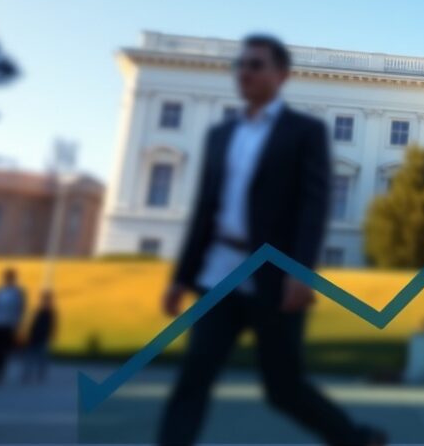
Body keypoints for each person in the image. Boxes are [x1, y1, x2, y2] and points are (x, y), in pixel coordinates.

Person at [157, 34, 386, 446]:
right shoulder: (221, 135)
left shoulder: (305, 131)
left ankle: (354, 439)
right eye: (240, 65)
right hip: (219, 271)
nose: (244, 72)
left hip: (274, 274)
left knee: (284, 388)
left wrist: (300, 271)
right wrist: (181, 276)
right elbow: (205, 212)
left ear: (280, 75)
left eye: (256, 65)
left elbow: (313, 206)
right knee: (194, 376)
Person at [0, 267, 26, 385]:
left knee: (1, 350)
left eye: (9, 278)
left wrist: (17, 323)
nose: (7, 280)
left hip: (7, 324)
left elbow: (20, 309)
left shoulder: (17, 293)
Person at [21, 290, 57, 383]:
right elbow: (32, 324)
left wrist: (50, 335)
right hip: (34, 336)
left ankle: (38, 375)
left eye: (46, 300)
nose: (44, 302)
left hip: (43, 336)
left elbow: (52, 326)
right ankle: (27, 374)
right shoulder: (39, 311)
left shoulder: (50, 312)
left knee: (40, 357)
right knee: (30, 357)